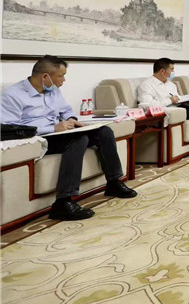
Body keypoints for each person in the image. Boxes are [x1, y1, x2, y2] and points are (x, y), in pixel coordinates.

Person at [0, 55, 136, 221]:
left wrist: (72, 119)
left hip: (60, 132)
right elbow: (10, 129)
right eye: (61, 76)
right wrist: (52, 128)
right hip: (39, 139)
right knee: (79, 140)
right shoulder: (13, 95)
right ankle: (63, 203)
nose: (64, 80)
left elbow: (65, 110)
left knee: (104, 132)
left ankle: (114, 182)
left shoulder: (53, 90)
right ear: (45, 77)